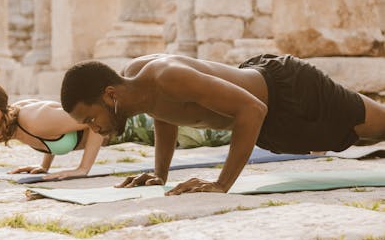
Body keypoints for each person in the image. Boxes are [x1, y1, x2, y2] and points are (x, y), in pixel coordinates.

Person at [60, 53, 385, 195]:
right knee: (359, 139)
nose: (94, 129)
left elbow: (251, 110)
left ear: (109, 94)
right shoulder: (139, 88)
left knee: (377, 127)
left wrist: (222, 184)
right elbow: (164, 117)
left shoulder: (166, 76)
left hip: (292, 91)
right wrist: (160, 174)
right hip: (275, 123)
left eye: (91, 118)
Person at [0, 79, 104, 180]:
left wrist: (83, 169)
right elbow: (53, 131)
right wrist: (44, 166)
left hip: (125, 121)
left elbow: (97, 117)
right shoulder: (17, 120)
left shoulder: (34, 119)